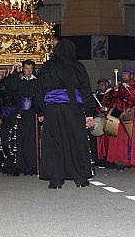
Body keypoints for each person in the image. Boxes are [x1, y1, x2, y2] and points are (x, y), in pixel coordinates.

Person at [34, 39, 95, 189]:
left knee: (55, 142)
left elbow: (39, 89)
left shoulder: (48, 66)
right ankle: (80, 177)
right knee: (75, 140)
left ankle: (56, 179)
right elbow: (86, 90)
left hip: (53, 109)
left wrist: (41, 110)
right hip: (73, 108)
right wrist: (89, 113)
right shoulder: (79, 66)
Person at [0, 60, 40, 176]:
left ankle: (32, 165)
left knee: (31, 139)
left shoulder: (38, 82)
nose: (29, 71)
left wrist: (40, 112)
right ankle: (20, 164)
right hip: (19, 114)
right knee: (18, 139)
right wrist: (13, 74)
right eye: (26, 69)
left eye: (31, 69)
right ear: (23, 69)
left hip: (32, 114)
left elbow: (40, 98)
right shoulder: (18, 81)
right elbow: (9, 89)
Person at [104, 68, 135, 170]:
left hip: (130, 115)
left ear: (131, 75)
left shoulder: (134, 87)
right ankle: (118, 161)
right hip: (119, 114)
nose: (124, 76)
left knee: (130, 138)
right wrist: (115, 92)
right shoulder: (118, 88)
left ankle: (130, 161)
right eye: (123, 74)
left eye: (126, 74)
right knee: (118, 140)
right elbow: (110, 100)